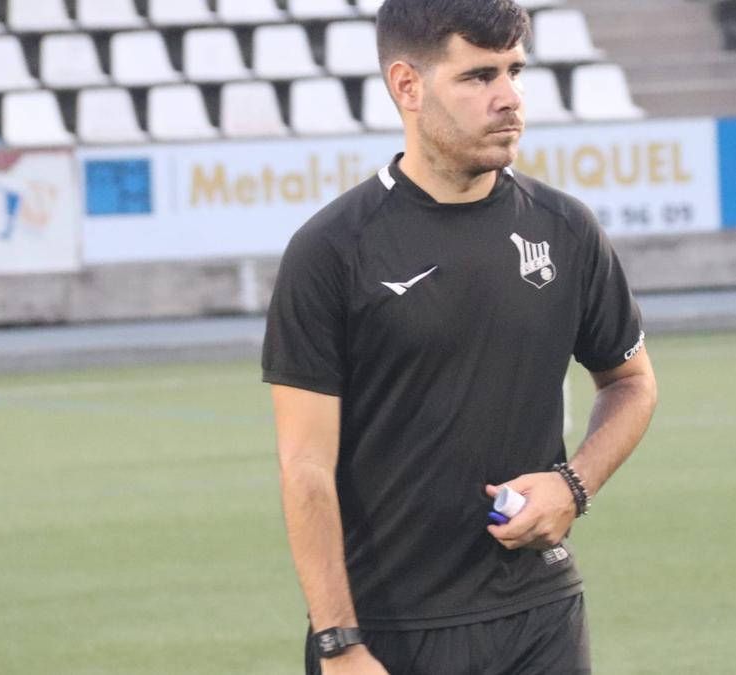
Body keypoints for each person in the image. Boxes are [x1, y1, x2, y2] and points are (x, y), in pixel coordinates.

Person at [261, 0, 658, 672]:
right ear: (407, 87)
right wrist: (338, 643)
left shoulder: (566, 229)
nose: (509, 98)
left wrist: (574, 484)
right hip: (390, 631)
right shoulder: (332, 250)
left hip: (541, 615)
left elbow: (632, 381)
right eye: (477, 77)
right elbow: (305, 469)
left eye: (515, 71)